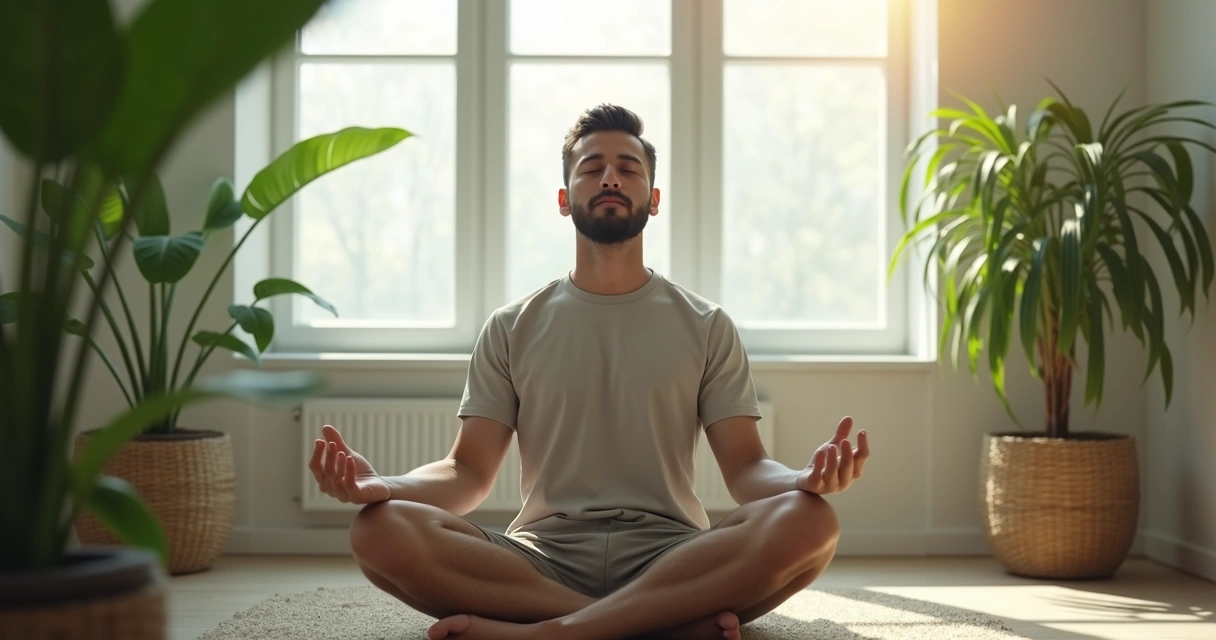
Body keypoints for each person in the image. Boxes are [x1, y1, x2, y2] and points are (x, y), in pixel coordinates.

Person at [308, 104, 871, 640]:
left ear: (653, 199)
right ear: (564, 199)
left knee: (811, 522)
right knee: (378, 530)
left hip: (674, 557)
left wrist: (801, 480)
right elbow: (467, 472)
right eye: (591, 167)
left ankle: (557, 631)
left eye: (628, 168)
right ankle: (654, 626)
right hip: (540, 558)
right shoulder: (510, 326)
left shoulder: (706, 324)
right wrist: (386, 486)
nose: (610, 178)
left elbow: (746, 469)